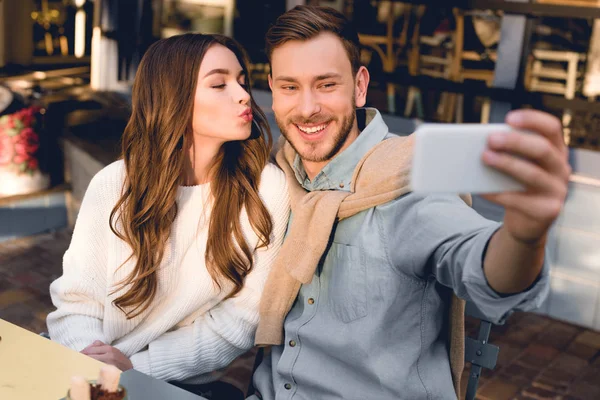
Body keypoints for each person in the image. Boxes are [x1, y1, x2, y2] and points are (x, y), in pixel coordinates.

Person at [249, 6, 570, 400]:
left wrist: (524, 233)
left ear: (359, 85)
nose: (306, 107)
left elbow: (481, 266)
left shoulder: (409, 184)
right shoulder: (276, 177)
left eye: (327, 84)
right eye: (289, 87)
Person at [46, 33, 290, 399]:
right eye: (219, 83)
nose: (243, 95)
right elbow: (77, 303)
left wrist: (136, 369)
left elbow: (242, 320)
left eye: (242, 81)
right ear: (172, 97)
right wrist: (97, 369)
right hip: (86, 362)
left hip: (177, 380)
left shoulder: (266, 190)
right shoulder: (114, 185)